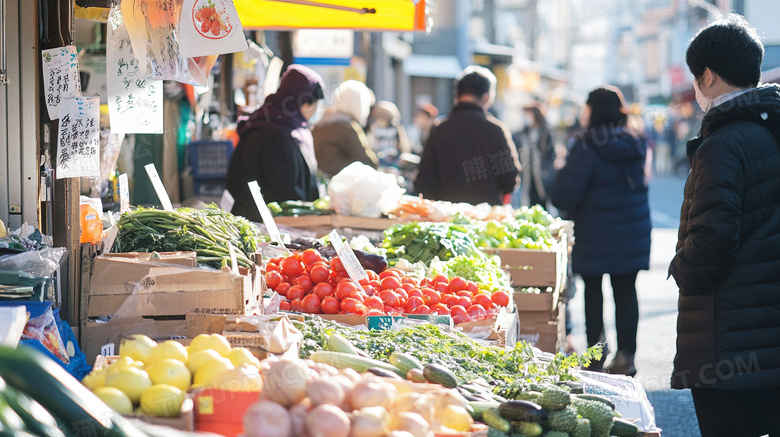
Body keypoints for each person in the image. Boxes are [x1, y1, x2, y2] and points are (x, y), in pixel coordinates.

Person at [668, 15, 780, 437]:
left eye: (697, 78)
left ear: (708, 76)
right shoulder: (770, 129)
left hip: (729, 340)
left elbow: (713, 238)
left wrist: (683, 269)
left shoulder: (724, 143)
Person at [550, 86, 651, 376]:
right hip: (632, 231)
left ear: (594, 110)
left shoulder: (585, 145)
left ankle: (596, 354)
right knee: (625, 290)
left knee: (593, 292)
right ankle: (626, 357)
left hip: (595, 232)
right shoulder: (636, 141)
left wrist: (558, 171)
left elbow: (564, 195)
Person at [226, 65, 324, 222]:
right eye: (316, 104)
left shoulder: (264, 121)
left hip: (250, 221)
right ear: (304, 102)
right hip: (268, 228)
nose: (317, 110)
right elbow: (285, 197)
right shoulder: (282, 137)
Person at [414, 66, 519, 205]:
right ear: (486, 97)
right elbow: (509, 179)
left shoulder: (439, 129)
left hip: (445, 218)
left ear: (456, 94)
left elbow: (424, 181)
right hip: (486, 217)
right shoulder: (495, 130)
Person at [312, 80, 378, 178]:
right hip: (340, 185)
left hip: (320, 181)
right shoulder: (348, 128)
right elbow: (369, 163)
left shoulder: (320, 123)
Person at [512, 104, 558, 208]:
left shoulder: (546, 133)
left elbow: (551, 155)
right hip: (526, 175)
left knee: (542, 202)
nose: (525, 117)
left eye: (527, 114)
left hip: (542, 177)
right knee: (526, 202)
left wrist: (545, 171)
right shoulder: (521, 134)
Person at [365, 100, 412, 169]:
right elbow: (369, 146)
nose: (379, 121)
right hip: (378, 163)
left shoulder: (396, 130)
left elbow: (404, 147)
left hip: (394, 164)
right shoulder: (373, 130)